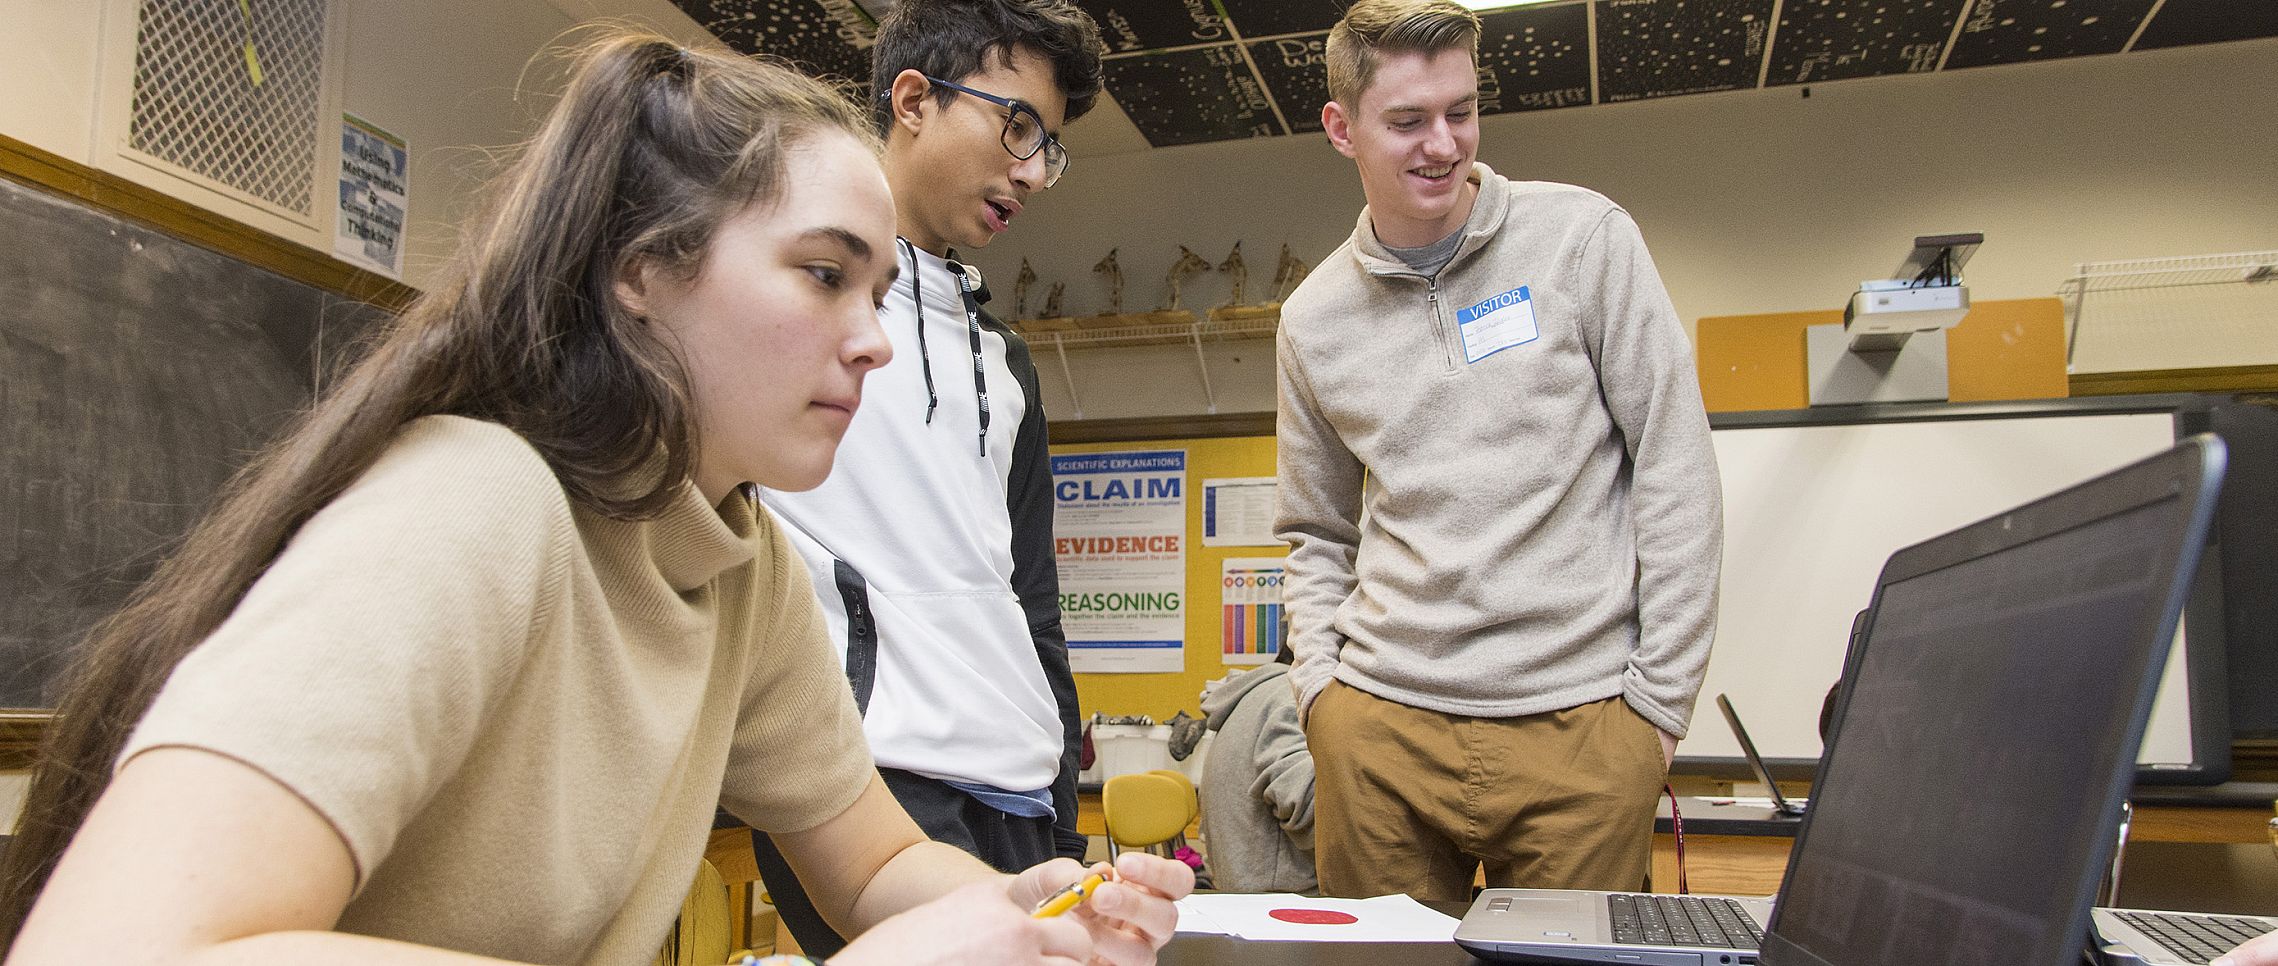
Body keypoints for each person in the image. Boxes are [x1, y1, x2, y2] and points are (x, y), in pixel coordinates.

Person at [0, 33, 1186, 966]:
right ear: (641, 273)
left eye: (877, 292)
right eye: (824, 276)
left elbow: (874, 866)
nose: (873, 341)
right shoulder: (478, 508)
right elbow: (112, 947)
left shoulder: (737, 552)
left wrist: (1026, 912)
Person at [1273, 0, 1724, 902]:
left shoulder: (1584, 240)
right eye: (1406, 121)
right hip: (1381, 731)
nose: (1443, 143)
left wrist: (1657, 710)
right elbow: (1316, 534)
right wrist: (1323, 694)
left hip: (1586, 724)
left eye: (1462, 111)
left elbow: (1674, 467)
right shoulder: (1312, 319)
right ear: (1342, 129)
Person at [745, 0, 1102, 955]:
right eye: (1016, 125)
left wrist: (1064, 812)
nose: (1032, 170)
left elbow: (1034, 602)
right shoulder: (786, 306)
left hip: (1020, 783)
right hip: (868, 782)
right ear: (914, 99)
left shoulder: (1007, 361)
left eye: (1049, 146)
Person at [1197, 644, 1316, 894]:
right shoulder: (1289, 700)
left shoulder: (1256, 698)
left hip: (1250, 897)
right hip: (1286, 905)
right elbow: (1306, 806)